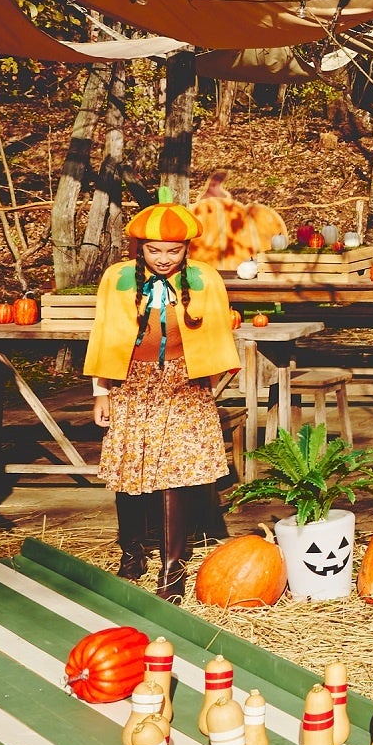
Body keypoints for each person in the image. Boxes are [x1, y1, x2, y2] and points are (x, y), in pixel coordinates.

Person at [83, 192, 241, 596]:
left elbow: (215, 334)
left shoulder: (203, 279)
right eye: (154, 250)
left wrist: (208, 383)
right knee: (129, 469)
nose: (164, 258)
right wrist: (101, 391)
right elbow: (104, 335)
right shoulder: (118, 279)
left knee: (177, 473)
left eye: (174, 250)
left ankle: (172, 569)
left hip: (183, 384)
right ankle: (132, 554)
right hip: (132, 384)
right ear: (140, 247)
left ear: (187, 247)